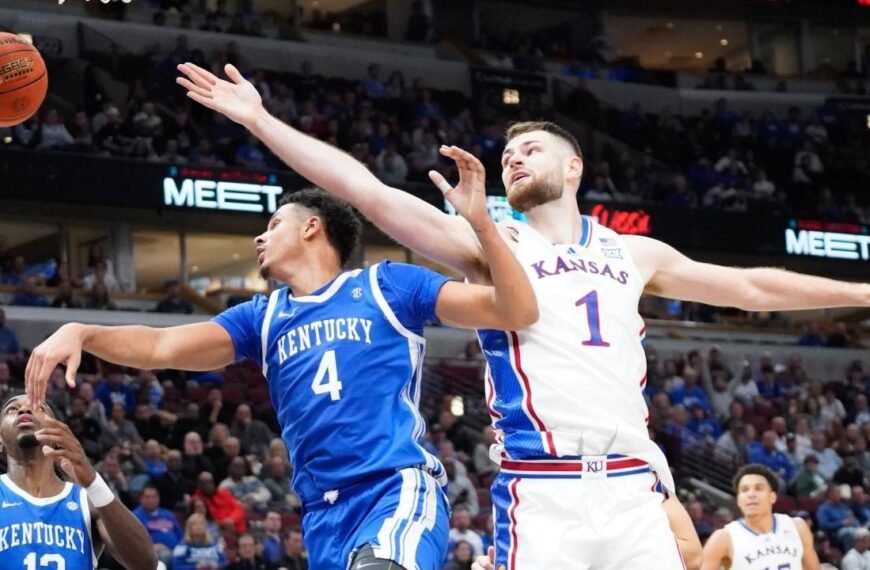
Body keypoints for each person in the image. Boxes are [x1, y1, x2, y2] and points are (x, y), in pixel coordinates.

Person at [175, 62, 768, 568]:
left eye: (530, 148)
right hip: (542, 480)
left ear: (573, 167)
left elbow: (746, 285)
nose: (513, 158)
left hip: (628, 470)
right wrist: (260, 120)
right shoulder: (488, 242)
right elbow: (368, 191)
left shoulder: (629, 250)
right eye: (507, 153)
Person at [25, 175, 539, 568]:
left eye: (273, 224)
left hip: (394, 489)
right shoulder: (262, 318)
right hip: (321, 514)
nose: (259, 238)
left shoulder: (389, 287)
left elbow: (512, 311)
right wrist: (83, 331)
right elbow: (160, 345)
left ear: (312, 227)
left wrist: (483, 228)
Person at [0, 394, 157, 570]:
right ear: (0, 439)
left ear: (57, 433)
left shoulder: (87, 501)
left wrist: (93, 482)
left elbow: (146, 564)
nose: (24, 410)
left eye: (39, 408)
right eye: (12, 409)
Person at [701, 464, 820, 570]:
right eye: (744, 490)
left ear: (772, 497)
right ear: (738, 500)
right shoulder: (724, 538)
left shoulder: (797, 527)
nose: (751, 494)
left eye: (758, 488)